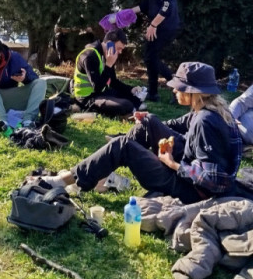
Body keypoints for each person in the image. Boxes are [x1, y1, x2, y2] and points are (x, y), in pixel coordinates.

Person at [40, 62, 242, 205]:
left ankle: (71, 178)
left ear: (193, 91)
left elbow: (215, 180)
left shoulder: (206, 122)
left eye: (178, 87)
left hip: (192, 190)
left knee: (123, 145)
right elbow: (180, 123)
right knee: (149, 121)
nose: (173, 90)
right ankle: (97, 171)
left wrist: (171, 163)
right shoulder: (209, 108)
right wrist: (149, 123)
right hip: (189, 165)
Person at [132, 0, 181, 102]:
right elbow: (151, 3)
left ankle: (177, 85)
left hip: (165, 25)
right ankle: (153, 93)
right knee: (150, 56)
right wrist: (128, 12)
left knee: (150, 57)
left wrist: (153, 25)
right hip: (159, 24)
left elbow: (168, 4)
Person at [72, 29, 143, 118]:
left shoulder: (106, 55)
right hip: (88, 98)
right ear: (110, 44)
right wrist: (108, 65)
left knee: (136, 98)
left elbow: (113, 82)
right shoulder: (89, 56)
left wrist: (131, 89)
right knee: (126, 105)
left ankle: (129, 109)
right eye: (119, 48)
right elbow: (97, 87)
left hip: (103, 93)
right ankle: (82, 110)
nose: (120, 52)